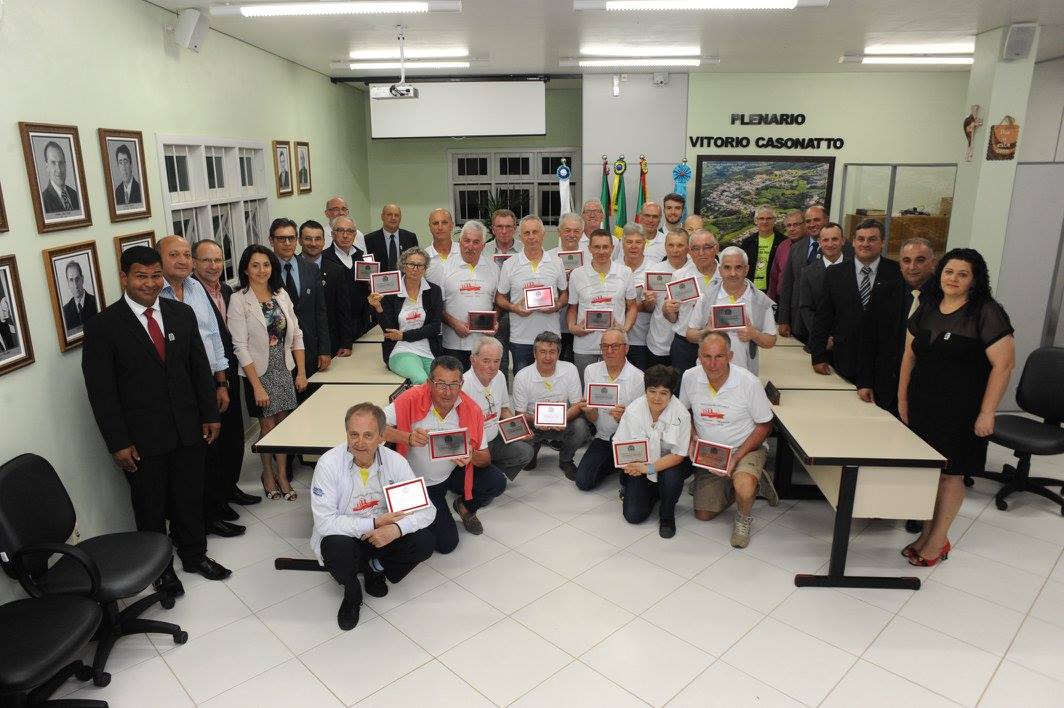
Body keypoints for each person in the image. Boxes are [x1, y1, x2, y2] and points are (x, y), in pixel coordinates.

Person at [81, 246, 231, 593]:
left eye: (154, 276)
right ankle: (160, 569)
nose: (149, 284)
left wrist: (210, 414)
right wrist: (118, 443)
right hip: (141, 438)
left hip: (188, 428)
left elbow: (197, 368)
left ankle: (194, 555)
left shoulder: (181, 314)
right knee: (150, 506)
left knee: (189, 496)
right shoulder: (104, 326)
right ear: (124, 278)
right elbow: (101, 393)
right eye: (140, 276)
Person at [898, 248, 1015, 567]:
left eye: (963, 274)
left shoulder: (986, 312)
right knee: (928, 474)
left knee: (951, 476)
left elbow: (1003, 366)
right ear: (941, 273)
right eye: (949, 272)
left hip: (962, 410)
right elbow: (909, 356)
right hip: (923, 405)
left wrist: (988, 412)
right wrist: (902, 400)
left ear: (974, 280)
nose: (954, 279)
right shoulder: (928, 306)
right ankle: (925, 533)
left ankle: (938, 540)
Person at [310, 403, 436, 630]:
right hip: (348, 535)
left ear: (381, 436)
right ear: (346, 433)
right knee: (334, 547)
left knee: (425, 540)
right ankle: (351, 595)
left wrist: (395, 530)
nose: (359, 443)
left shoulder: (396, 462)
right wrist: (374, 522)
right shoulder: (328, 464)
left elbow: (427, 511)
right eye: (353, 434)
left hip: (384, 535)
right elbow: (325, 522)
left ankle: (374, 569)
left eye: (368, 435)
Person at [383, 356, 507, 551]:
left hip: (452, 473)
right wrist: (407, 437)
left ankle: (464, 507)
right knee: (447, 544)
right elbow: (375, 427)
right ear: (429, 383)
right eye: (440, 384)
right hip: (419, 481)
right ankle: (418, 510)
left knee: (496, 481)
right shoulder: (411, 398)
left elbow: (485, 458)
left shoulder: (471, 409)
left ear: (461, 384)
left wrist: (470, 454)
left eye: (453, 384)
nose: (447, 392)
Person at [158, 236, 237, 533]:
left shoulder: (195, 288)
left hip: (207, 380)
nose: (182, 260)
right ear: (160, 260)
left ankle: (213, 510)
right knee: (191, 457)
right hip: (177, 385)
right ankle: (199, 518)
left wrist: (221, 381)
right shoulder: (157, 295)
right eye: (173, 255)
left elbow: (214, 335)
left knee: (211, 448)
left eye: (186, 254)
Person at [680, 332, 776, 549]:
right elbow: (684, 413)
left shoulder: (748, 382)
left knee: (743, 485)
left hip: (745, 448)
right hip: (710, 454)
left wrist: (736, 457)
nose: (713, 364)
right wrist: (693, 439)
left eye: (719, 357)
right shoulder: (690, 377)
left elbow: (765, 425)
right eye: (707, 356)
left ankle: (743, 516)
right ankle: (755, 483)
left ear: (730, 356)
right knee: (703, 514)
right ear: (699, 355)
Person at [228, 245, 307, 502]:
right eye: (255, 265)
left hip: (283, 367)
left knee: (283, 425)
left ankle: (283, 475)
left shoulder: (281, 294)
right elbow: (239, 345)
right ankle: (267, 474)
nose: (262, 270)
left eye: (266, 265)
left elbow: (296, 334)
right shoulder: (239, 299)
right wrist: (257, 387)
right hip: (257, 371)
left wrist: (301, 372)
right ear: (246, 269)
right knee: (267, 425)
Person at [192, 240, 259, 514]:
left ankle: (231, 488)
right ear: (195, 263)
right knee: (215, 442)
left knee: (233, 435)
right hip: (208, 376)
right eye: (206, 260)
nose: (213, 266)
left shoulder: (229, 292)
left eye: (218, 260)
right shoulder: (193, 294)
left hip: (230, 371)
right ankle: (217, 501)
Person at [810, 219, 901, 382]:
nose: (865, 244)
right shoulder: (835, 273)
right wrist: (818, 356)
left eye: (872, 239)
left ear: (882, 242)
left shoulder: (896, 273)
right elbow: (823, 316)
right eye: (861, 239)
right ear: (853, 242)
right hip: (845, 358)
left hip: (884, 361)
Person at [857, 238, 938, 415]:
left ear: (933, 263)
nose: (912, 266)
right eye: (906, 260)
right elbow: (868, 340)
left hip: (926, 393)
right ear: (900, 264)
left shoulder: (943, 298)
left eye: (920, 260)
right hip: (885, 389)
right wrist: (864, 381)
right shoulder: (883, 292)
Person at [614, 365, 693, 538]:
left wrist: (649, 469)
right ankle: (656, 491)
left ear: (671, 394)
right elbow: (621, 443)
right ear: (645, 391)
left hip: (671, 463)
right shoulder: (633, 410)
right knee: (633, 516)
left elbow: (678, 455)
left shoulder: (681, 415)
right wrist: (632, 466)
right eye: (652, 391)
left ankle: (667, 515)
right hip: (642, 463)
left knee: (671, 477)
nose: (657, 398)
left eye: (664, 393)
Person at [511, 331, 591, 480]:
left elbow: (577, 405)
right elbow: (519, 415)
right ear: (534, 353)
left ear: (559, 353)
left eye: (552, 352)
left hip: (563, 422)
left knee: (581, 426)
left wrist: (562, 418)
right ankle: (532, 451)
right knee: (519, 435)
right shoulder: (522, 376)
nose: (547, 357)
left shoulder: (570, 369)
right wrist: (536, 420)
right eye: (542, 352)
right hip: (534, 424)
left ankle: (566, 459)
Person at [686, 246, 777, 374]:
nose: (733, 273)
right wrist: (707, 331)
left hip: (744, 374)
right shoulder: (707, 297)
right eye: (727, 267)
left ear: (747, 269)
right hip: (707, 372)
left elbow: (771, 341)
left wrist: (754, 334)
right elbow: (690, 335)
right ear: (720, 270)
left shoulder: (761, 301)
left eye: (738, 267)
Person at [573, 328, 645, 492]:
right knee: (583, 482)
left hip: (627, 439)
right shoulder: (591, 370)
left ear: (626, 348)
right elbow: (592, 419)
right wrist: (589, 410)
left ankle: (618, 460)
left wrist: (623, 418)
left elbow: (641, 424)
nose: (609, 351)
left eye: (615, 346)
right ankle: (614, 462)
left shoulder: (638, 378)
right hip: (602, 437)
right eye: (605, 346)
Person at [496, 215, 569, 373]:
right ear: (520, 236)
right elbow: (499, 298)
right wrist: (514, 308)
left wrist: (557, 305)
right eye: (527, 233)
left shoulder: (557, 262)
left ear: (543, 234)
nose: (531, 237)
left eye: (535, 232)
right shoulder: (510, 264)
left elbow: (565, 294)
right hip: (521, 339)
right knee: (522, 384)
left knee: (552, 385)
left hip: (551, 338)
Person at [269, 218, 330, 398]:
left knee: (312, 402)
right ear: (271, 240)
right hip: (279, 351)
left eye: (291, 238)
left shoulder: (310, 268)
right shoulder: (265, 270)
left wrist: (324, 349)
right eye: (281, 239)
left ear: (297, 240)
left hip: (310, 348)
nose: (287, 243)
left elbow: (321, 311)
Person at [462, 336, 535, 480]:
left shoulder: (500, 376)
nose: (492, 367)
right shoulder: (464, 385)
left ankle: (493, 471)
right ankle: (486, 472)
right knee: (488, 492)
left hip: (496, 437)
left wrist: (522, 429)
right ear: (473, 360)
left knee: (527, 449)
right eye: (486, 361)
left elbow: (503, 410)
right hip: (476, 445)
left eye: (496, 361)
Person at [567, 230, 638, 377]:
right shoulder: (577, 274)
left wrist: (624, 330)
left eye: (605, 247)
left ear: (612, 248)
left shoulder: (625, 272)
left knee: (615, 389)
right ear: (590, 249)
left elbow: (632, 307)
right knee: (586, 391)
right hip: (585, 346)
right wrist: (573, 328)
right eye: (597, 247)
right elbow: (572, 308)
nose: (601, 251)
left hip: (616, 346)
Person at [369, 247, 443, 384]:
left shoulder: (434, 291)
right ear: (403, 266)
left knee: (439, 383)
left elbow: (435, 327)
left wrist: (404, 335)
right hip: (400, 349)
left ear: (425, 268)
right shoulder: (391, 291)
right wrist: (378, 307)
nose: (415, 268)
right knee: (422, 380)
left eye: (420, 265)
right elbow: (388, 330)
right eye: (411, 264)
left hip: (428, 349)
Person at [434, 220, 498, 371]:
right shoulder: (443, 268)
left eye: (476, 242)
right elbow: (436, 306)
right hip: (453, 344)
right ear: (459, 242)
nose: (470, 246)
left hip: (484, 346)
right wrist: (454, 323)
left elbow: (497, 303)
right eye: (466, 241)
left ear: (483, 245)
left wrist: (495, 322)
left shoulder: (494, 269)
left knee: (481, 386)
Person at [299, 219, 354, 360]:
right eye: (308, 239)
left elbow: (344, 309)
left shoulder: (336, 270)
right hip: (300, 342)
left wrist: (346, 343)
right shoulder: (292, 268)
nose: (313, 243)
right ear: (299, 241)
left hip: (331, 340)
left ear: (324, 241)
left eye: (318, 239)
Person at [668, 229, 720, 373]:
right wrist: (668, 310)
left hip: (718, 344)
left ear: (716, 248)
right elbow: (673, 318)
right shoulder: (679, 276)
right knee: (682, 389)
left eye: (707, 247)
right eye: (696, 248)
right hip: (685, 345)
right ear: (689, 252)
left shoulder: (727, 274)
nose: (701, 252)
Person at [777, 204, 829, 341]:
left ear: (826, 220)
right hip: (798, 321)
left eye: (816, 220)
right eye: (808, 221)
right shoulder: (796, 248)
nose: (812, 224)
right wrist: (783, 319)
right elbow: (787, 285)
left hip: (827, 324)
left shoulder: (841, 248)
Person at [546, 212, 591, 362]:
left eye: (576, 231)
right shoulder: (547, 258)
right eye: (567, 230)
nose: (571, 235)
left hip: (582, 325)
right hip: (554, 324)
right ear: (559, 231)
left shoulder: (592, 258)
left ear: (582, 232)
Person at [646, 229, 691, 369]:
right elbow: (649, 309)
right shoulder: (654, 270)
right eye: (671, 245)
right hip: (659, 342)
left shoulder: (695, 270)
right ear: (665, 247)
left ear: (688, 247)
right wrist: (649, 301)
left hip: (687, 343)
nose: (675, 250)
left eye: (680, 245)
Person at [321, 215, 370, 337]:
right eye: (340, 231)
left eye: (350, 231)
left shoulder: (362, 257)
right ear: (332, 234)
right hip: (335, 326)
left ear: (355, 235)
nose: (345, 235)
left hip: (361, 324)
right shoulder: (324, 259)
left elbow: (367, 289)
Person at [797, 223, 848, 339]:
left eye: (834, 239)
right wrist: (822, 336)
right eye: (825, 240)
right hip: (819, 341)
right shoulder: (807, 273)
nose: (830, 244)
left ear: (843, 240)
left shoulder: (855, 269)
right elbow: (806, 308)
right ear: (819, 242)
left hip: (850, 341)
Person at [487, 208, 521, 378]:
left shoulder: (525, 250)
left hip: (520, 311)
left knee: (521, 360)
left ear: (515, 228)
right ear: (492, 229)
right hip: (494, 311)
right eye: (499, 226)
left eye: (509, 226)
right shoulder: (483, 251)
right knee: (497, 360)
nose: (504, 231)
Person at [620, 222, 655, 369]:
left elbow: (656, 306)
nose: (633, 246)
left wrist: (645, 303)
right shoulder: (613, 267)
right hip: (618, 338)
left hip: (643, 339)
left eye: (638, 242)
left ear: (645, 244)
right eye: (629, 242)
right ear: (622, 243)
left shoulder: (654, 269)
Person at [737, 205, 785, 293]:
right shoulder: (747, 242)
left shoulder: (783, 242)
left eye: (769, 218)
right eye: (761, 218)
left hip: (774, 290)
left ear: (774, 220)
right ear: (756, 221)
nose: (765, 221)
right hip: (750, 290)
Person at [365, 202, 418, 272]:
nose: (393, 218)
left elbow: (416, 262)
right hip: (381, 281)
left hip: (405, 281)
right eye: (389, 215)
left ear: (400, 218)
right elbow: (368, 266)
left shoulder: (410, 238)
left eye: (396, 215)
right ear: (382, 217)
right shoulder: (369, 240)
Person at [767, 209, 805, 303]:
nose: (792, 229)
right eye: (788, 225)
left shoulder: (812, 245)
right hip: (782, 298)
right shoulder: (782, 246)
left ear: (804, 225)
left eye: (796, 224)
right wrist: (771, 299)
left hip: (804, 299)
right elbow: (774, 275)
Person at [40, 141, 80, 214]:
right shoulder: (43, 201)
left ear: (65, 165)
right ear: (47, 167)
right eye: (53, 163)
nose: (59, 169)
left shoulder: (76, 195)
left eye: (61, 163)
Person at [424, 208, 461, 283]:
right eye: (435, 223)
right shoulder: (423, 257)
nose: (440, 227)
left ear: (452, 225)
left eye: (444, 223)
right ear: (430, 227)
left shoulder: (464, 252)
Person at [61, 261, 98, 333]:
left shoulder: (96, 302)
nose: (75, 285)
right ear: (68, 283)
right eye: (71, 280)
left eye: (77, 279)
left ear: (82, 279)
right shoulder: (64, 311)